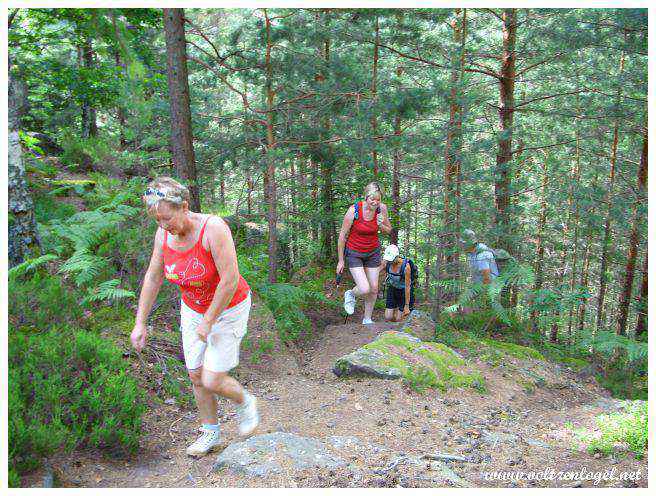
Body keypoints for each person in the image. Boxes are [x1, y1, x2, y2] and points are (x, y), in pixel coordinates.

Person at [130, 177, 259, 457]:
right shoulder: (163, 234)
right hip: (193, 308)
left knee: (213, 379)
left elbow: (230, 280)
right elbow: (153, 276)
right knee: (196, 375)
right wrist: (140, 322)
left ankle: (245, 401)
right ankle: (209, 432)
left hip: (229, 308)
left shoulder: (213, 229)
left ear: (184, 207)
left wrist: (209, 321)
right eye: (157, 221)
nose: (164, 226)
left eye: (167, 218)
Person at [336, 182, 392, 324]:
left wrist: (380, 224)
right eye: (372, 199)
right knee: (364, 288)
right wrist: (341, 260)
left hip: (372, 252)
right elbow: (342, 236)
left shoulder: (381, 209)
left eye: (378, 199)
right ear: (366, 197)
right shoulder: (353, 210)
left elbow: (389, 230)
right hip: (354, 252)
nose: (375, 202)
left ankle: (367, 319)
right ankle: (351, 293)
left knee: (373, 288)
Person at [380, 244, 415, 322]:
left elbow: (407, 287)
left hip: (404, 291)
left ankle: (397, 326)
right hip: (393, 289)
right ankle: (395, 325)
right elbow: (379, 272)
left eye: (392, 259)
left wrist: (407, 305)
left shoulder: (406, 267)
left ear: (397, 256)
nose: (390, 261)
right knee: (388, 317)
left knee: (400, 319)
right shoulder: (387, 262)